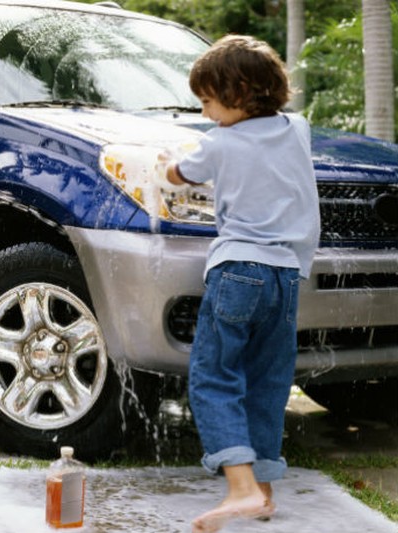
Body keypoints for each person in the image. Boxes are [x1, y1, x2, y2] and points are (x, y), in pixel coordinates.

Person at [156, 35, 321, 532]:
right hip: (286, 277)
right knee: (269, 382)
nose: (206, 114)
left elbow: (178, 172)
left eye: (208, 101)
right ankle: (263, 492)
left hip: (238, 272)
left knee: (215, 376)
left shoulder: (219, 143)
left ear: (241, 91)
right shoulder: (297, 129)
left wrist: (167, 162)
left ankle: (241, 487)